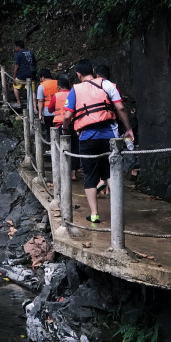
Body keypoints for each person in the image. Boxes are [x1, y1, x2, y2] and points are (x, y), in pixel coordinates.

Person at [62, 60, 134, 224]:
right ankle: (117, 213)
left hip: (88, 138)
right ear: (93, 71)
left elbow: (67, 116)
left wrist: (65, 130)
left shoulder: (75, 89)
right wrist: (128, 129)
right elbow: (121, 108)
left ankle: (94, 214)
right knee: (109, 173)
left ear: (79, 75)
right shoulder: (107, 84)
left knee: (89, 176)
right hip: (109, 137)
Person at [45, 74, 77, 179]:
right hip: (74, 124)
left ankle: (62, 172)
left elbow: (49, 109)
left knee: (60, 149)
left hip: (59, 125)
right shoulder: (74, 94)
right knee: (75, 148)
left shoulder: (56, 95)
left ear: (59, 87)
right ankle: (73, 174)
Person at [12, 39, 36, 108]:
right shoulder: (31, 53)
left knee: (15, 86)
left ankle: (18, 103)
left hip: (22, 74)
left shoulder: (18, 54)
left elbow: (16, 66)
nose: (15, 48)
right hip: (32, 74)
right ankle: (34, 108)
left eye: (15, 47)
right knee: (33, 91)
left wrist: (14, 75)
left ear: (18, 47)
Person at [35, 68, 57, 139]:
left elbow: (40, 101)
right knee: (58, 130)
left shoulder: (41, 86)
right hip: (58, 110)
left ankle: (51, 147)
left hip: (47, 112)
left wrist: (40, 114)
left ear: (43, 77)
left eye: (40, 78)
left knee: (48, 130)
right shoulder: (58, 83)